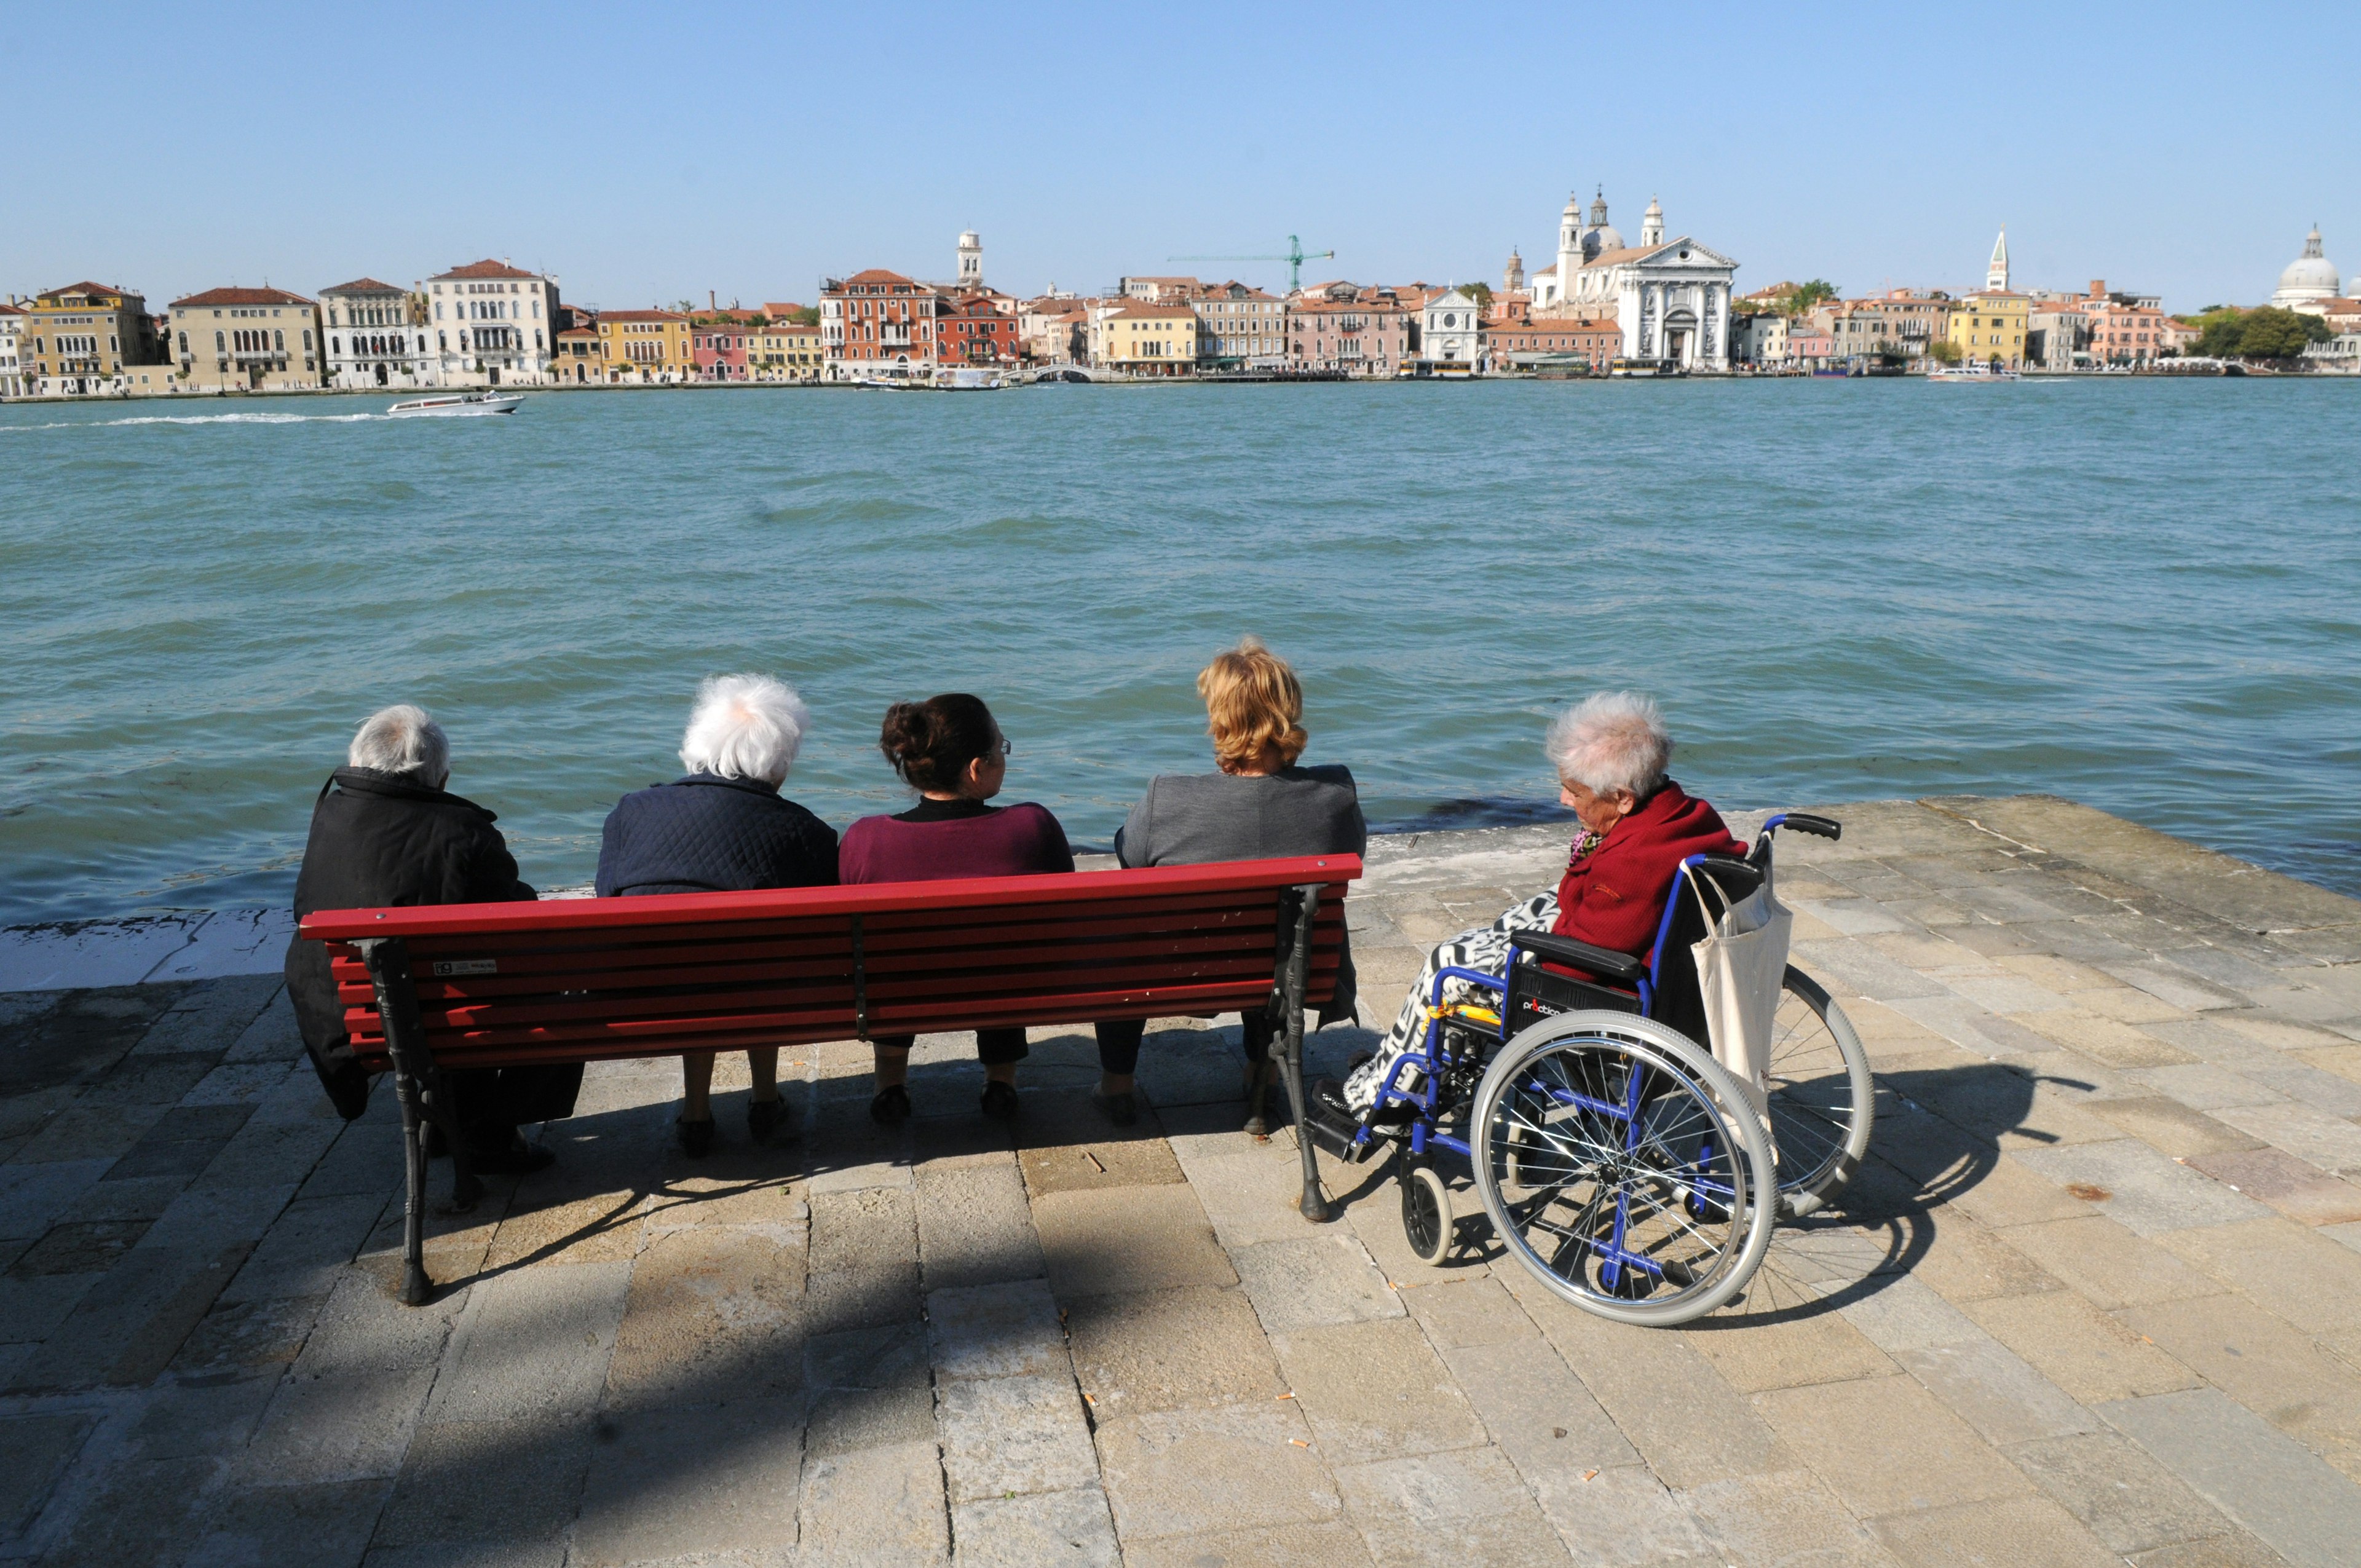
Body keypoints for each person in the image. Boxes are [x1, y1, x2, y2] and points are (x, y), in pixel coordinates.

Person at [1324, 691, 1745, 1122]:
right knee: (1515, 918)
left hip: (1610, 990)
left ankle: (1381, 1098)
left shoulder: (1632, 863)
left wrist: (1529, 948)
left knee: (1446, 965)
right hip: (1659, 969)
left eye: (1573, 790)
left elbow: (1576, 965)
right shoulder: (1692, 817)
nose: (1564, 800)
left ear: (1622, 797)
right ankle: (1403, 1066)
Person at [284, 703, 580, 1173]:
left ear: (360, 762)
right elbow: (515, 923)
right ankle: (490, 1132)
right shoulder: (465, 832)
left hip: (344, 1021)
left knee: (441, 972)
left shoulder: (330, 817)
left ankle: (450, 1123)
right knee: (552, 982)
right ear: (440, 779)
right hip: (441, 1022)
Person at [1094, 637, 1366, 1130]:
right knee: (1284, 929)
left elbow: (1129, 859)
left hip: (1180, 975)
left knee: (1123, 938)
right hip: (1290, 976)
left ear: (1220, 719)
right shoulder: (1335, 794)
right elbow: (1353, 855)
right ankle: (1258, 1074)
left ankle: (1116, 1087)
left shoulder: (1167, 798)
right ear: (1289, 712)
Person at [597, 674, 838, 1157]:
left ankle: (696, 1113)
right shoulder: (806, 832)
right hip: (762, 991)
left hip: (647, 996)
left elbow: (608, 898)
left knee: (694, 958)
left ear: (698, 740)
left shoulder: (631, 811)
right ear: (780, 758)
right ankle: (766, 1100)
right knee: (763, 956)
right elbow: (817, 939)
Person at [839, 693, 1074, 1125]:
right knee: (1003, 945)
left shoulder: (865, 839)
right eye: (1001, 749)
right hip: (1004, 985)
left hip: (903, 990)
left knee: (886, 955)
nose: (1005, 757)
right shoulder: (1031, 827)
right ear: (976, 770)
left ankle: (890, 1083)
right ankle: (1001, 1079)